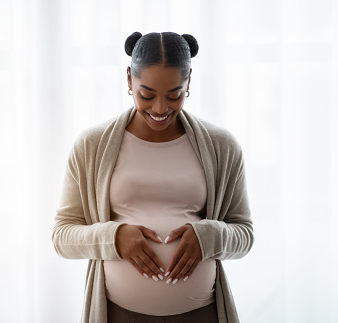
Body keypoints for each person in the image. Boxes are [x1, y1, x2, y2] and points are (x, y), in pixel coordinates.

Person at [52, 31, 254, 323]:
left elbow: (244, 235)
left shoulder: (221, 146)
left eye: (174, 95)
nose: (160, 109)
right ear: (129, 80)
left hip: (201, 314)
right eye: (146, 95)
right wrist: (115, 238)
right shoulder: (92, 145)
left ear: (189, 82)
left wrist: (209, 237)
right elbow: (62, 237)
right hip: (119, 314)